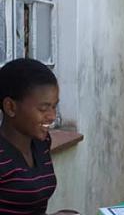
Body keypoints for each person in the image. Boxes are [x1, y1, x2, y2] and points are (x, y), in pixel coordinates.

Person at [0, 58, 78, 215]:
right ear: (10, 107)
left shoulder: (41, 143)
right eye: (43, 109)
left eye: (54, 106)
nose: (52, 116)